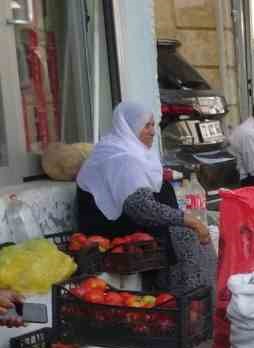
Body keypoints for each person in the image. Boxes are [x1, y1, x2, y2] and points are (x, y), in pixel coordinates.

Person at [76, 101, 214, 301]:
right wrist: (188, 220)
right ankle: (185, 306)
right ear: (129, 127)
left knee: (194, 234)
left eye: (153, 125)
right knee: (185, 235)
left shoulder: (131, 152)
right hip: (114, 229)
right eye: (146, 126)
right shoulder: (121, 158)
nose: (152, 132)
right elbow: (141, 207)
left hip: (135, 226)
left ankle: (200, 308)